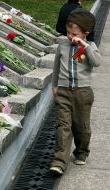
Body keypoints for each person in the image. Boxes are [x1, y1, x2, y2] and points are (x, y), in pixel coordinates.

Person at [50, 8, 101, 175]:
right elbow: (57, 66)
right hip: (63, 91)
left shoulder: (90, 47)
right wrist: (55, 85)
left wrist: (84, 46)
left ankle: (81, 151)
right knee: (63, 125)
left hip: (83, 93)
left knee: (81, 127)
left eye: (75, 34)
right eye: (69, 33)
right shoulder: (63, 45)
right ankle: (59, 162)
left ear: (86, 33)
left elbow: (95, 63)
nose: (71, 37)